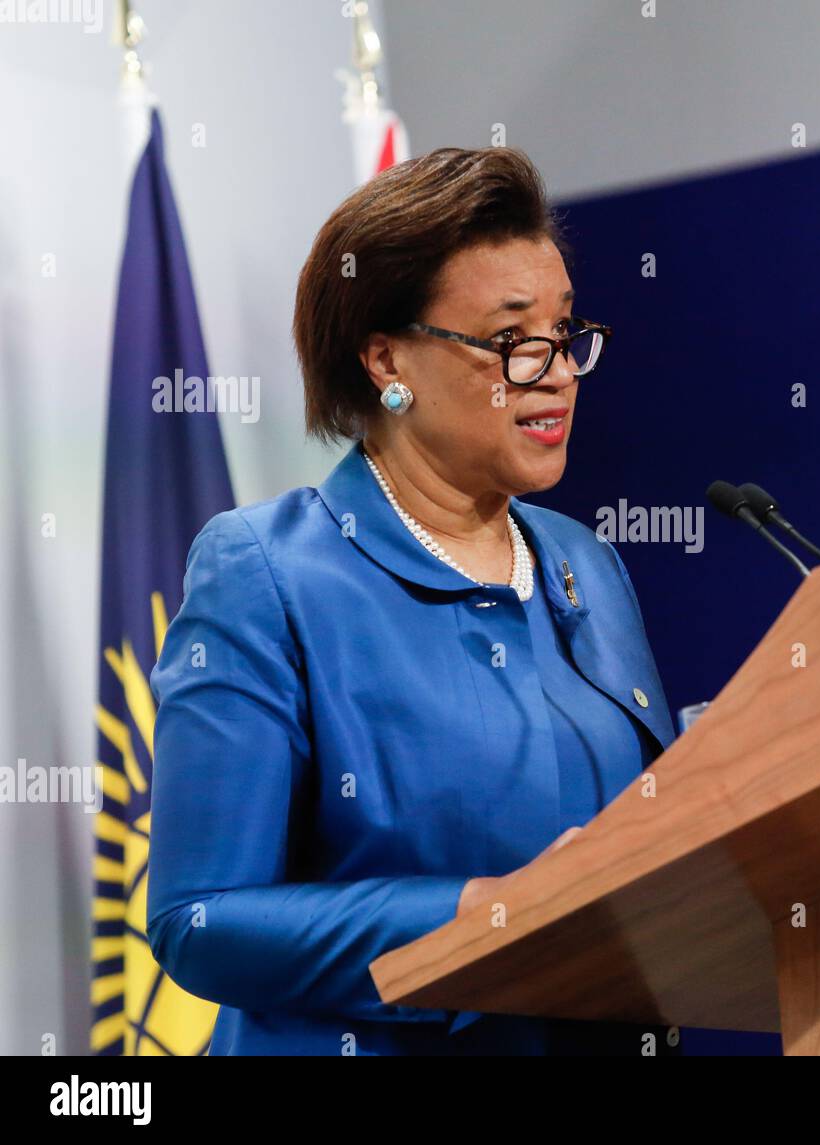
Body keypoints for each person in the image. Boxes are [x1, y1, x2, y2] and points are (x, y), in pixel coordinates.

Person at [146, 147, 678, 1055]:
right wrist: (479, 918)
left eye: (565, 331)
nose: (557, 372)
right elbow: (199, 918)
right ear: (387, 357)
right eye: (513, 341)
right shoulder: (267, 573)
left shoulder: (587, 563)